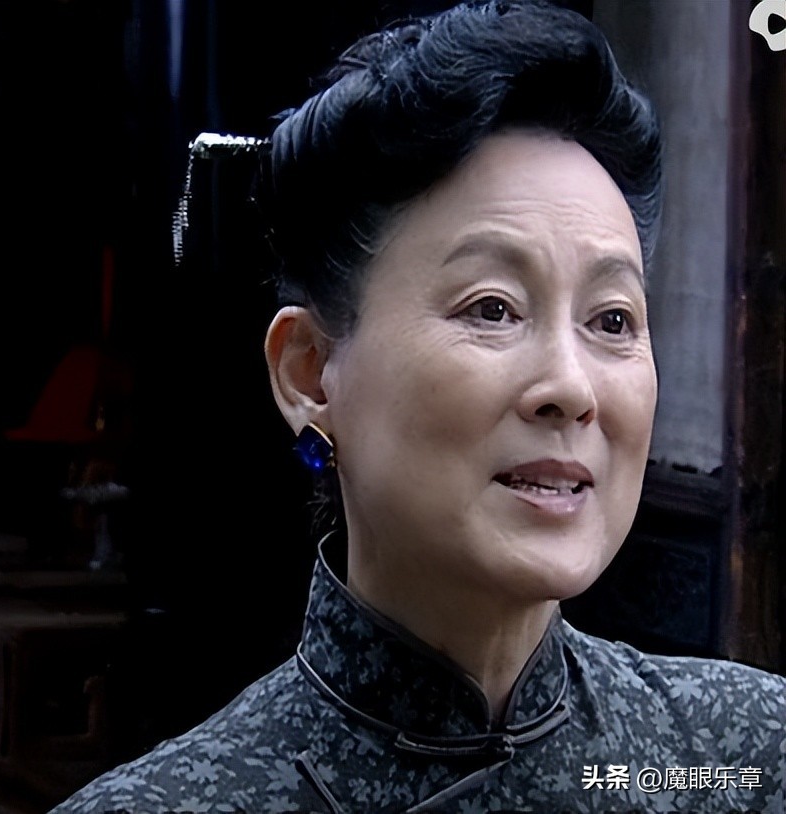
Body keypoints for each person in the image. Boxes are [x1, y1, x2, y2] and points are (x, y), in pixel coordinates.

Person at [48, 1, 786, 812]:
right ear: (310, 372)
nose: (572, 389)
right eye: (492, 309)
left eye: (612, 321)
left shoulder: (747, 757)